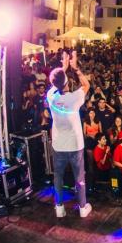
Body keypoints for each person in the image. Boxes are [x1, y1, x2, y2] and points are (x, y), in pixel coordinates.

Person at [47, 50, 92, 219]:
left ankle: (59, 208)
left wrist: (63, 68)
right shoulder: (74, 98)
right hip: (75, 145)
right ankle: (82, 207)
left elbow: (56, 83)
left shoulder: (51, 96)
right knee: (79, 177)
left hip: (58, 145)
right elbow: (87, 85)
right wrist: (76, 68)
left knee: (58, 177)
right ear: (67, 82)